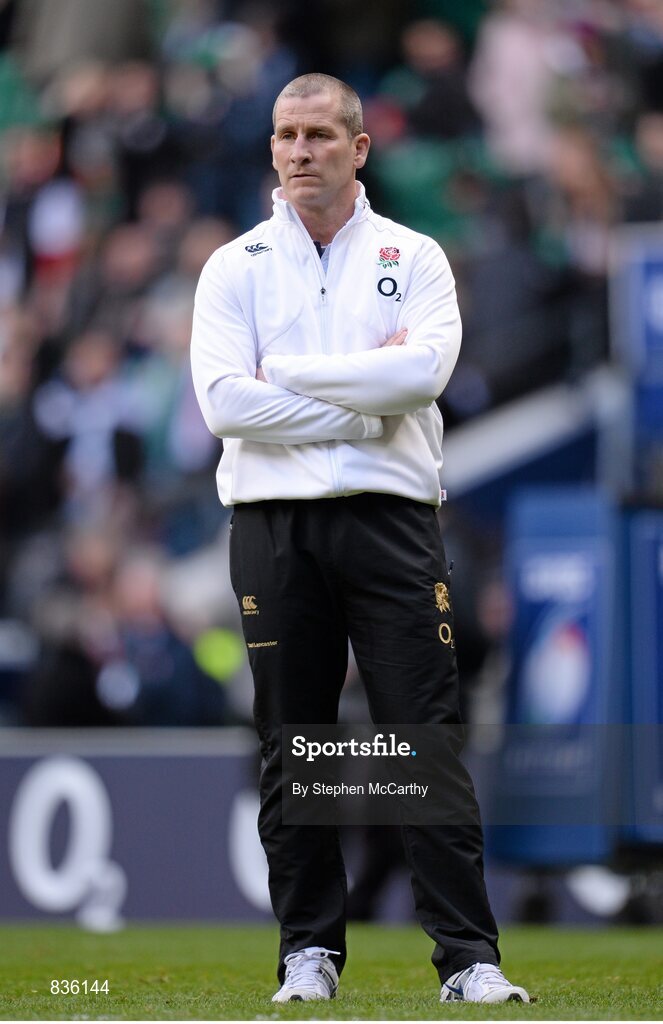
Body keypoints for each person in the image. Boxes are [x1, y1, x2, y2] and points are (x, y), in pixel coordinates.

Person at [190, 72, 529, 1006]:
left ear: (358, 147)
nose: (300, 151)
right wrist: (357, 404)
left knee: (422, 739)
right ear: (271, 147)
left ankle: (467, 959)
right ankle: (309, 952)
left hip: (391, 521)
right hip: (273, 524)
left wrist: (289, 375)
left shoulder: (412, 255)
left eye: (319, 135)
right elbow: (224, 405)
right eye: (285, 135)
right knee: (292, 742)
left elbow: (419, 378)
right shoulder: (234, 266)